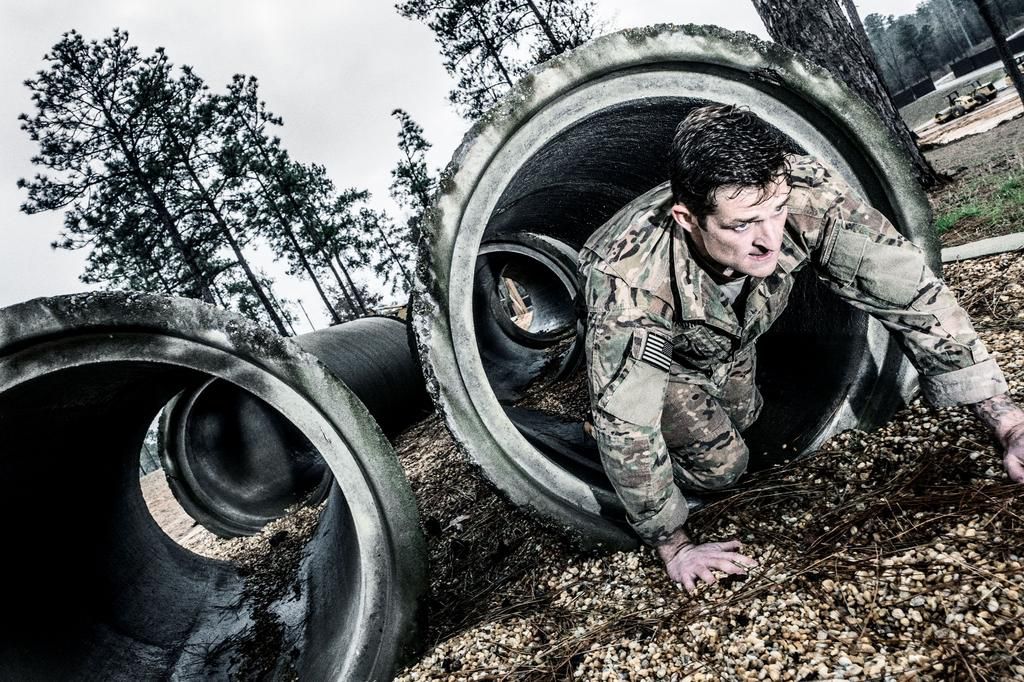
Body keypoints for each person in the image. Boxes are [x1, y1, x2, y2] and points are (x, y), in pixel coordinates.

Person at [578, 104, 1024, 593]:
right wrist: (674, 544)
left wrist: (1007, 421)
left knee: (748, 417)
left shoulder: (808, 193)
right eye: (742, 225)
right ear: (689, 218)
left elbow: (913, 295)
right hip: (668, 364)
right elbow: (628, 423)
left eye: (777, 211)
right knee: (723, 468)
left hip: (731, 341)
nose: (770, 241)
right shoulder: (629, 282)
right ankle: (593, 439)